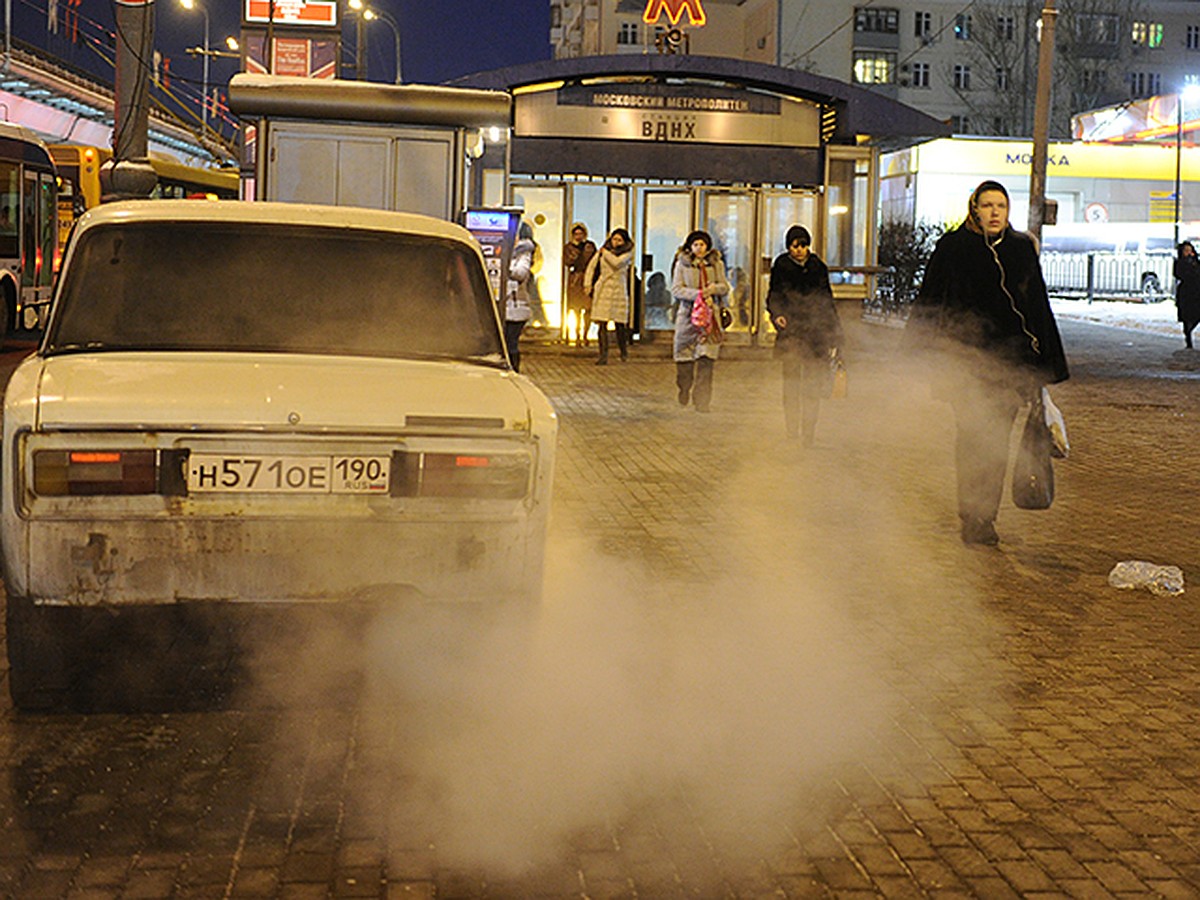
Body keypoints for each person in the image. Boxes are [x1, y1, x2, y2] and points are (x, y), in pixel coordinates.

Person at [906, 180, 1069, 546]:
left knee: (996, 442)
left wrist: (1042, 367)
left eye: (1001, 206)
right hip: (965, 365)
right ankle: (972, 514)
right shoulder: (953, 248)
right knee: (972, 439)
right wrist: (919, 353)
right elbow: (931, 300)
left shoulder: (1020, 249)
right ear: (974, 208)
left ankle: (985, 517)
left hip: (1008, 368)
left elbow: (1037, 309)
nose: (995, 213)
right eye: (988, 205)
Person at [766, 225, 844, 446]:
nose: (799, 250)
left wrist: (834, 334)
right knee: (791, 383)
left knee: (812, 384)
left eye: (803, 245)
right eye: (794, 246)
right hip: (791, 331)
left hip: (816, 333)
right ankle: (792, 428)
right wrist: (777, 314)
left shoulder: (818, 266)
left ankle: (808, 431)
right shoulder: (781, 265)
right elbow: (774, 294)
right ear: (788, 246)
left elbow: (827, 300)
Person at [671, 230, 730, 412]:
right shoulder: (682, 264)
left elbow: (725, 286)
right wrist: (697, 294)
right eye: (695, 244)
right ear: (690, 246)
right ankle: (684, 388)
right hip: (688, 317)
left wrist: (713, 289)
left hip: (710, 319)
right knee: (684, 359)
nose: (699, 248)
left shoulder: (716, 264)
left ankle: (702, 401)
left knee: (706, 359)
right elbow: (676, 289)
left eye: (702, 244)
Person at [583, 227, 635, 365]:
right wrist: (588, 284)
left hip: (618, 289)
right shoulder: (602, 252)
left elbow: (617, 263)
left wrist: (605, 252)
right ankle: (603, 355)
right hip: (604, 288)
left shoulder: (627, 253)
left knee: (620, 324)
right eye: (614, 239)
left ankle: (623, 351)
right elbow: (591, 267)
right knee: (602, 323)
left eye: (619, 240)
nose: (616, 242)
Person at [505, 221, 537, 372]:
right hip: (504, 305)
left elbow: (520, 273)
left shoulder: (524, 253)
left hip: (517, 305)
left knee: (511, 342)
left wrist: (504, 265)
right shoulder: (506, 251)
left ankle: (513, 371)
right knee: (504, 342)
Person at [563, 222, 597, 347]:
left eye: (580, 234)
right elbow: (567, 262)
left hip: (588, 279)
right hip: (575, 281)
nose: (578, 236)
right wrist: (576, 251)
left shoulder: (590, 246)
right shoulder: (569, 247)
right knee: (576, 310)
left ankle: (586, 335)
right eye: (576, 234)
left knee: (588, 309)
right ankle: (576, 335)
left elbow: (595, 261)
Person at [1173, 240, 1200, 349]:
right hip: (1186, 292)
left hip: (1197, 292)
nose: (1188, 253)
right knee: (1187, 316)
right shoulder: (1180, 263)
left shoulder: (1196, 262)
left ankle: (1189, 330)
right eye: (1186, 251)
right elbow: (1179, 274)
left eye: (1190, 250)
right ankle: (1188, 337)